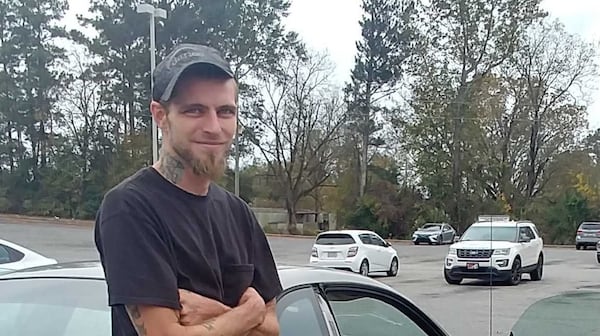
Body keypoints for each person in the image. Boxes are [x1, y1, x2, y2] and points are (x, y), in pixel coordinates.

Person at [94, 43, 282, 336]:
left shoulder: (239, 214)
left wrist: (223, 316)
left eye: (225, 111)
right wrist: (250, 312)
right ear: (160, 116)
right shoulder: (129, 208)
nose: (213, 126)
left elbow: (273, 329)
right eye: (194, 110)